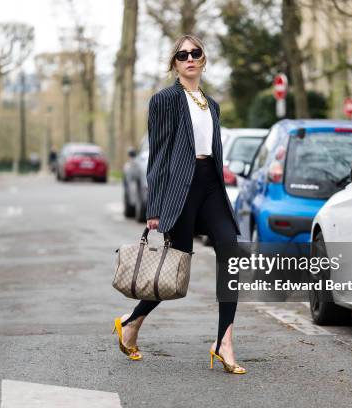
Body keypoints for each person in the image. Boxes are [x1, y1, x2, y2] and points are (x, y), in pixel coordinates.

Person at [112, 34, 246, 374]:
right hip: (180, 190)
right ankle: (131, 321)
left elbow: (212, 153)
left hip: (211, 186)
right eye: (182, 54)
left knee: (231, 251)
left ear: (203, 59)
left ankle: (224, 341)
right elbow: (157, 156)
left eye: (195, 53)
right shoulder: (164, 100)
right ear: (174, 62)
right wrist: (154, 207)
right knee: (174, 267)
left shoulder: (212, 105)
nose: (189, 58)